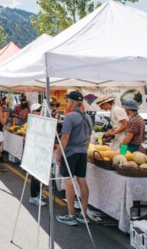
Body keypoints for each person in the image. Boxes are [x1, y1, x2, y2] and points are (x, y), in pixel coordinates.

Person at [56, 91, 93, 226]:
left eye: (67, 101)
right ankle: (83, 214)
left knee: (69, 180)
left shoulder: (70, 117)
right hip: (82, 151)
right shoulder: (87, 117)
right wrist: (85, 150)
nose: (67, 103)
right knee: (82, 180)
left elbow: (65, 137)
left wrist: (59, 153)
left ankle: (71, 214)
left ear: (71, 102)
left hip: (71, 152)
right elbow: (89, 138)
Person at [28, 103, 46, 206]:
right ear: (32, 112)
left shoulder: (41, 121)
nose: (40, 112)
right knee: (35, 174)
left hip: (41, 151)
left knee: (41, 173)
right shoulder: (33, 122)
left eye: (41, 110)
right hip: (35, 151)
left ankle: (38, 192)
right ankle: (33, 197)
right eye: (38, 111)